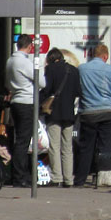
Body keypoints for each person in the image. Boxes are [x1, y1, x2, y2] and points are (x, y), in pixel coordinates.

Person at [73, 43, 111, 187]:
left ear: (92, 55)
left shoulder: (82, 69)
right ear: (105, 56)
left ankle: (80, 180)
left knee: (86, 148)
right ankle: (102, 179)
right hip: (109, 114)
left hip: (88, 113)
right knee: (105, 149)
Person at [4, 34, 45, 187]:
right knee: (24, 141)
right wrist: (39, 67)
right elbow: (42, 82)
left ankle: (18, 174)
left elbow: (8, 83)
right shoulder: (25, 62)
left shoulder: (10, 61)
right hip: (27, 103)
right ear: (29, 47)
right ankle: (20, 176)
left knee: (18, 139)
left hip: (15, 102)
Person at [38, 47, 80, 188]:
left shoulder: (50, 70)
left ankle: (57, 178)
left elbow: (47, 89)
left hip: (54, 112)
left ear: (50, 59)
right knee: (67, 147)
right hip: (69, 113)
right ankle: (69, 179)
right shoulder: (74, 70)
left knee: (54, 146)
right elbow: (78, 91)